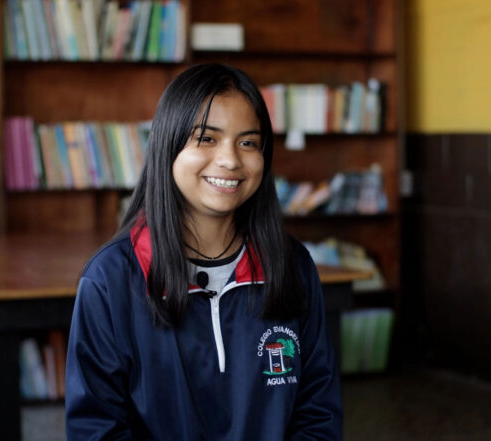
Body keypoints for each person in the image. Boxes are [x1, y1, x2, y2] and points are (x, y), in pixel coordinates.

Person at [65, 63, 342, 440]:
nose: (230, 160)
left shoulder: (292, 266)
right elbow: (96, 428)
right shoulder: (110, 280)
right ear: (169, 145)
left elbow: (318, 414)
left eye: (248, 142)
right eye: (207, 139)